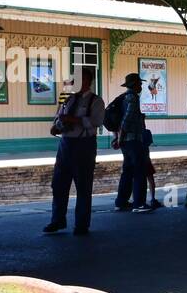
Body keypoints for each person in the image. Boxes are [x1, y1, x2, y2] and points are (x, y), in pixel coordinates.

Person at [43, 69, 105, 236]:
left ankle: (81, 224)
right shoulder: (67, 98)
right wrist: (56, 126)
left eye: (79, 79)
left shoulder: (96, 101)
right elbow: (59, 116)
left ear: (88, 81)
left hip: (84, 144)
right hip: (65, 143)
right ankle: (57, 220)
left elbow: (97, 121)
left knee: (83, 186)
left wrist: (74, 120)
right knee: (59, 183)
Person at [112, 73, 152, 213]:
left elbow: (118, 119)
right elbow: (127, 119)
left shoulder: (123, 98)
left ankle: (121, 202)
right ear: (134, 85)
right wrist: (120, 137)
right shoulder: (133, 98)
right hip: (133, 140)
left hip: (125, 142)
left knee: (127, 171)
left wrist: (117, 137)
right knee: (139, 171)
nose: (141, 86)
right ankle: (139, 203)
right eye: (139, 84)